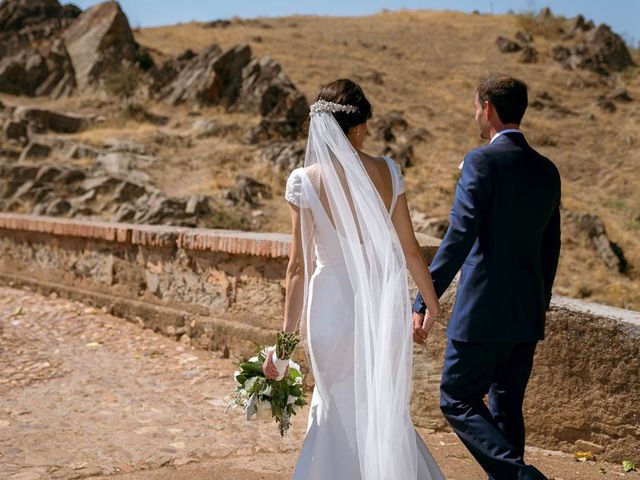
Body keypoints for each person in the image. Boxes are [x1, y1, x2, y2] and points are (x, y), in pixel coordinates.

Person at [263, 79, 445, 479]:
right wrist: (430, 306)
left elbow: (297, 268)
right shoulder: (388, 172)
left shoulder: (305, 180)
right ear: (358, 127)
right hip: (380, 311)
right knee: (381, 409)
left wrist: (282, 347)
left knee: (333, 407)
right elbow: (411, 251)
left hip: (329, 311)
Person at [413, 74, 561, 480]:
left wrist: (426, 296)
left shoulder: (481, 160)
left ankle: (522, 477)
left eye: (476, 106)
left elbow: (460, 235)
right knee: (507, 406)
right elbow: (552, 249)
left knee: (456, 397)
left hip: (482, 311)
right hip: (527, 315)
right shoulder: (547, 170)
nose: (475, 113)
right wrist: (538, 305)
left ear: (488, 109)